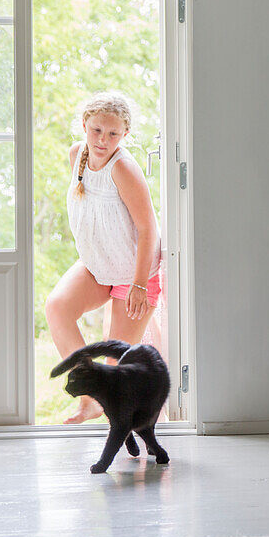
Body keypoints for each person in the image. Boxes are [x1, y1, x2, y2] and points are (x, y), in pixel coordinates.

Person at [45, 91, 163, 424]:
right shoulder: (76, 155)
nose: (102, 140)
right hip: (98, 266)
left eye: (112, 134)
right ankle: (89, 396)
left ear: (125, 134)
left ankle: (126, 425)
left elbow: (147, 228)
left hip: (135, 273)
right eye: (97, 130)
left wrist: (140, 284)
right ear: (84, 125)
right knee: (57, 307)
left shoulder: (123, 168)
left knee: (117, 363)